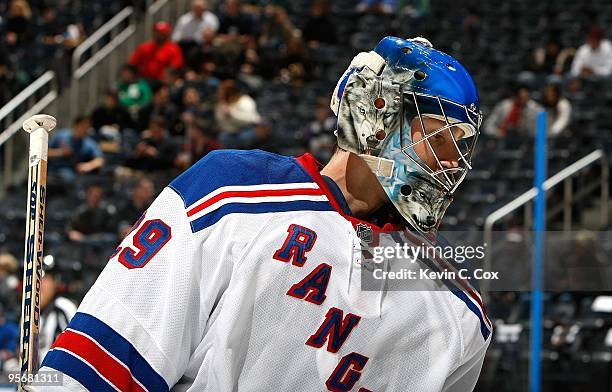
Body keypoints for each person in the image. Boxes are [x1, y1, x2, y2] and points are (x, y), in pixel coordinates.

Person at [39, 37, 490, 391]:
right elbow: (107, 363)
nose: (451, 164)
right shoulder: (230, 192)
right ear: (376, 114)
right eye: (438, 138)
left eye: (459, 148)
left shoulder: (460, 310)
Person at [38, 256, 77, 365]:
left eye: (45, 279)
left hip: (59, 374)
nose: (39, 285)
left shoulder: (64, 307)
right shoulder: (27, 314)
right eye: (36, 280)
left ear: (55, 282)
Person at [48, 116, 105, 182]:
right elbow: (45, 152)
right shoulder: (61, 135)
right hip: (52, 171)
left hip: (71, 174)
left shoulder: (88, 142)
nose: (86, 130)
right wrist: (60, 152)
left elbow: (100, 160)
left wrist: (88, 166)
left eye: (87, 127)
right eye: (83, 127)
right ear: (76, 125)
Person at [214, 79, 261, 148]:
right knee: (223, 137)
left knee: (245, 137)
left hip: (247, 129)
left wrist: (232, 114)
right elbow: (221, 123)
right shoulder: (222, 104)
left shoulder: (245, 100)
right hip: (230, 132)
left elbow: (251, 119)